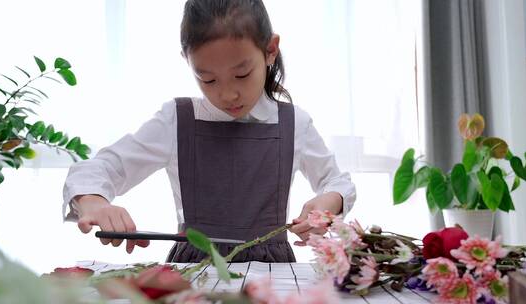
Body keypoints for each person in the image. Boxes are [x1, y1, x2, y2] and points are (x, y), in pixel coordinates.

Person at [62, 0, 356, 263]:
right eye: (208, 79)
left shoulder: (295, 123)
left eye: (242, 74)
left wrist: (329, 202)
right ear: (187, 62)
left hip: (273, 270)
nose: (228, 95)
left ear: (270, 50)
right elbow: (97, 169)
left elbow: (338, 182)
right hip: (195, 269)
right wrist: (93, 200)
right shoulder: (176, 120)